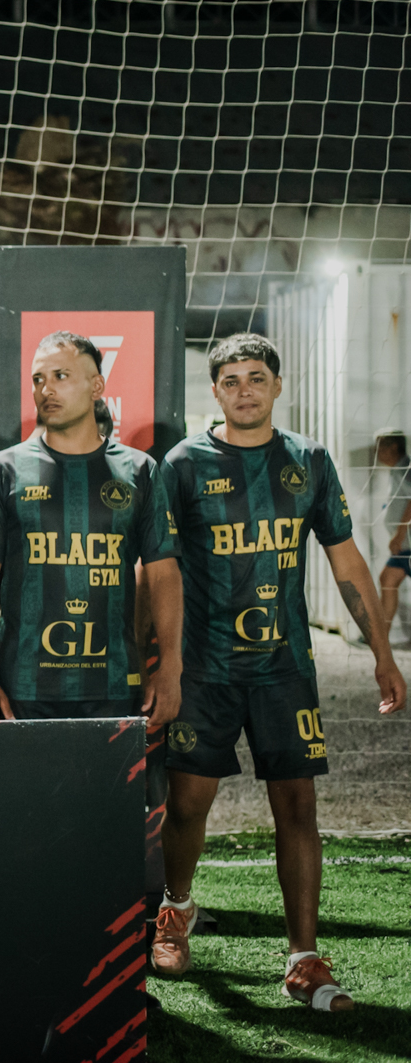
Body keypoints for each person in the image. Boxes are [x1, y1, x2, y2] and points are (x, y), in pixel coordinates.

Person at [152, 333, 405, 1011]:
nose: (245, 390)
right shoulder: (182, 464)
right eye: (231, 379)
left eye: (256, 377)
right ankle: (176, 907)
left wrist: (382, 652)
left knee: (297, 806)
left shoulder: (308, 461)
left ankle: (303, 959)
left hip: (284, 668)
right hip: (205, 670)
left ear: (278, 385)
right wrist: (162, 661)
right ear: (215, 390)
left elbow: (346, 560)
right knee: (187, 804)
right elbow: (159, 568)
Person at [0, 331, 183, 726]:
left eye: (60, 376)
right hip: (21, 687)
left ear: (97, 387)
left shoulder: (140, 470)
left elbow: (164, 574)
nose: (46, 389)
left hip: (114, 684)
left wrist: (170, 667)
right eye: (38, 379)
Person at [373, 428, 411, 632]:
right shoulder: (397, 470)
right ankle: (380, 637)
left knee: (387, 579)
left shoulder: (405, 469)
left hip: (406, 542)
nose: (376, 452)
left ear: (393, 447)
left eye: (380, 447)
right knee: (387, 579)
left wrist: (399, 534)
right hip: (404, 547)